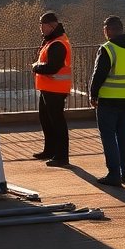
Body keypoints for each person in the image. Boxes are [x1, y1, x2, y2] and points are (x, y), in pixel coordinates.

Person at [90, 15, 125, 187]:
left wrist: (93, 94)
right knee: (124, 135)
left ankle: (114, 174)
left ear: (108, 30)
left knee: (109, 136)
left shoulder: (107, 49)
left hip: (109, 100)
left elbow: (99, 75)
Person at [29, 11, 71, 167]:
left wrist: (36, 67)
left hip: (56, 89)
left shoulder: (58, 43)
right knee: (46, 119)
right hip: (48, 87)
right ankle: (50, 150)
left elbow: (52, 67)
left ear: (52, 26)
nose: (41, 28)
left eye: (43, 25)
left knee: (57, 122)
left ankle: (61, 156)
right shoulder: (51, 41)